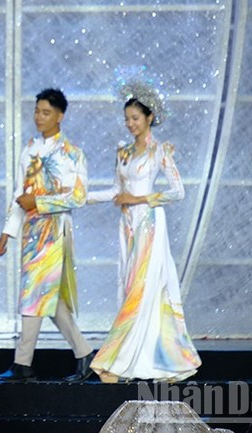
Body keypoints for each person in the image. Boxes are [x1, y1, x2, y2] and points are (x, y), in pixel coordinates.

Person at [87, 82, 201, 383]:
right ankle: (157, 360)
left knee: (143, 289)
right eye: (127, 119)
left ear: (149, 117)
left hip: (150, 222)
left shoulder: (159, 151)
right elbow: (115, 190)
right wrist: (81, 196)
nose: (130, 124)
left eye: (135, 118)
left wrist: (139, 199)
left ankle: (113, 362)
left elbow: (178, 191)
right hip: (127, 225)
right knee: (131, 288)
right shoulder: (123, 151)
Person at [0, 88, 95, 383]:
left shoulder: (72, 154)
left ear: (60, 116)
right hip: (31, 232)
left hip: (54, 232)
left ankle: (23, 364)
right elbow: (19, 193)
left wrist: (39, 203)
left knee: (33, 293)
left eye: (46, 112)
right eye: (37, 111)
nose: (39, 117)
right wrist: (7, 232)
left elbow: (79, 197)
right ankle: (85, 353)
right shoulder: (30, 149)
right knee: (46, 299)